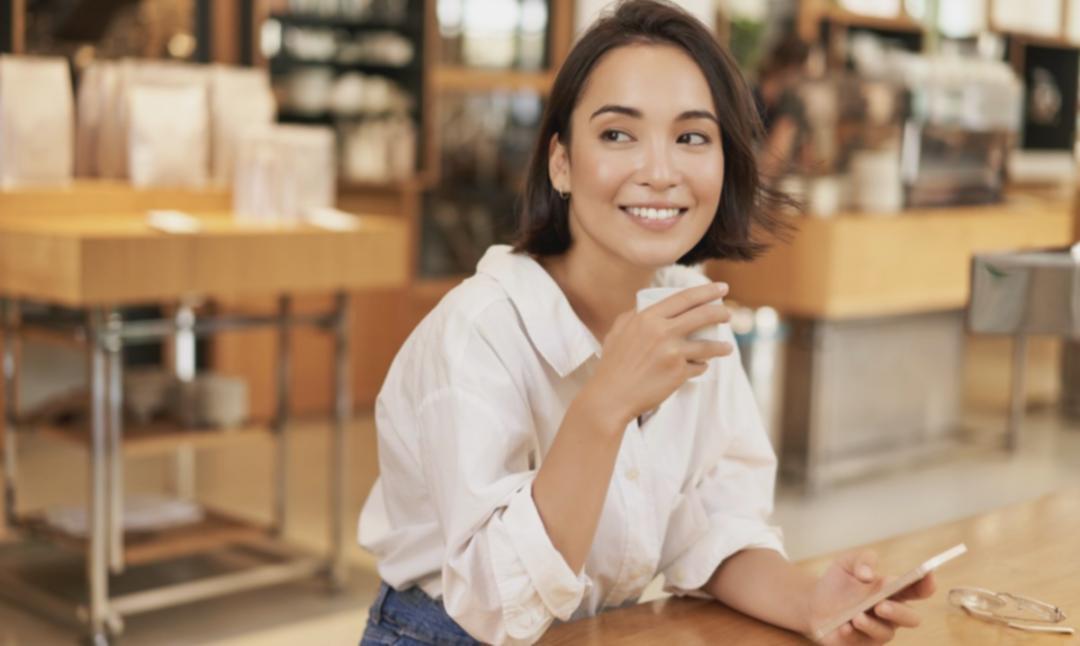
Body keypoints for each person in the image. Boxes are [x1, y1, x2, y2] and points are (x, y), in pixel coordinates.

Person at [358, 2, 934, 644]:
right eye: (617, 134)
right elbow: (498, 606)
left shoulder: (688, 308)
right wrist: (605, 405)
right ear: (561, 163)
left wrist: (811, 602)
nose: (660, 173)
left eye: (692, 137)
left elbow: (713, 523)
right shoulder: (476, 334)